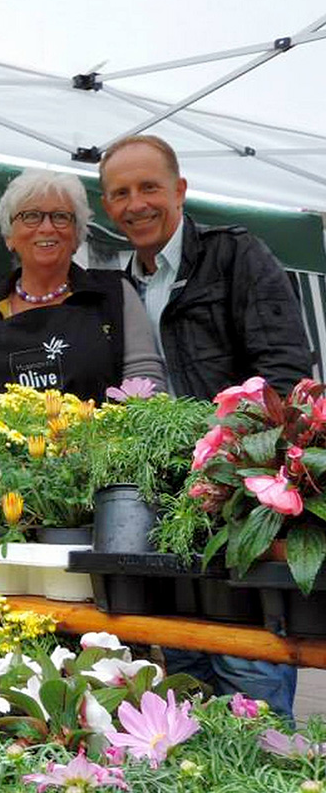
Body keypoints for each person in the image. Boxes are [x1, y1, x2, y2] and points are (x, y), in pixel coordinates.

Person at [99, 134, 312, 722]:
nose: (136, 203)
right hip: (159, 503)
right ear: (107, 206)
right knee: (186, 666)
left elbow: (288, 376)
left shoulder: (236, 256)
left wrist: (226, 453)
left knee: (249, 671)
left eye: (149, 187)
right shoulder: (113, 287)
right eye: (120, 193)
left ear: (180, 190)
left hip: (236, 499)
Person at [0, 169, 165, 401]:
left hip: (98, 437)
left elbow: (145, 381)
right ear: (9, 236)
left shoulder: (114, 294)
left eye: (60, 216)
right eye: (31, 216)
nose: (47, 228)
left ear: (77, 235)